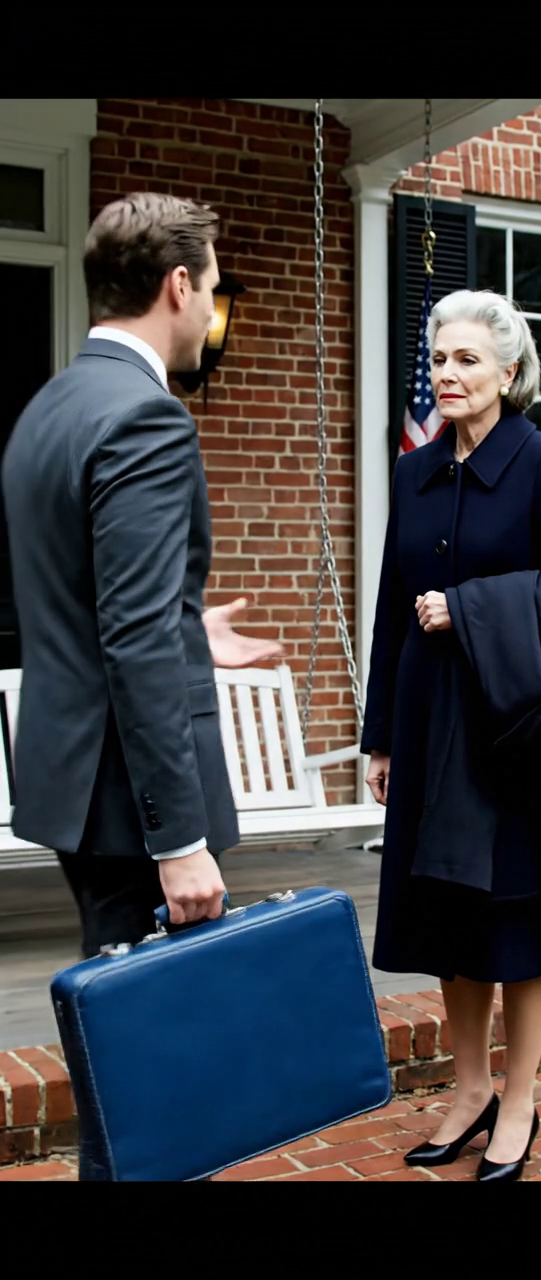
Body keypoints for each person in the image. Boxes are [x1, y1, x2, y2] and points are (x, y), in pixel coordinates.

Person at [362, 288, 541, 1183]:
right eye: (439, 359)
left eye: (467, 360)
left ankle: (520, 1097)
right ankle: (469, 1086)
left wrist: (473, 609)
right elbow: (389, 613)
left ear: (509, 372)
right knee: (447, 908)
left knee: (523, 915)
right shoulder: (413, 471)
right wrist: (379, 736)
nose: (447, 374)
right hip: (427, 719)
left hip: (513, 724)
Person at [2, 192, 281, 962]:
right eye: (213, 285)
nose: (209, 308)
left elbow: (83, 593)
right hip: (134, 806)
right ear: (179, 286)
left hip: (75, 788)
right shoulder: (144, 416)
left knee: (128, 1033)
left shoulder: (48, 409)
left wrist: (192, 627)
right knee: (170, 1052)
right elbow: (135, 632)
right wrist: (179, 838)